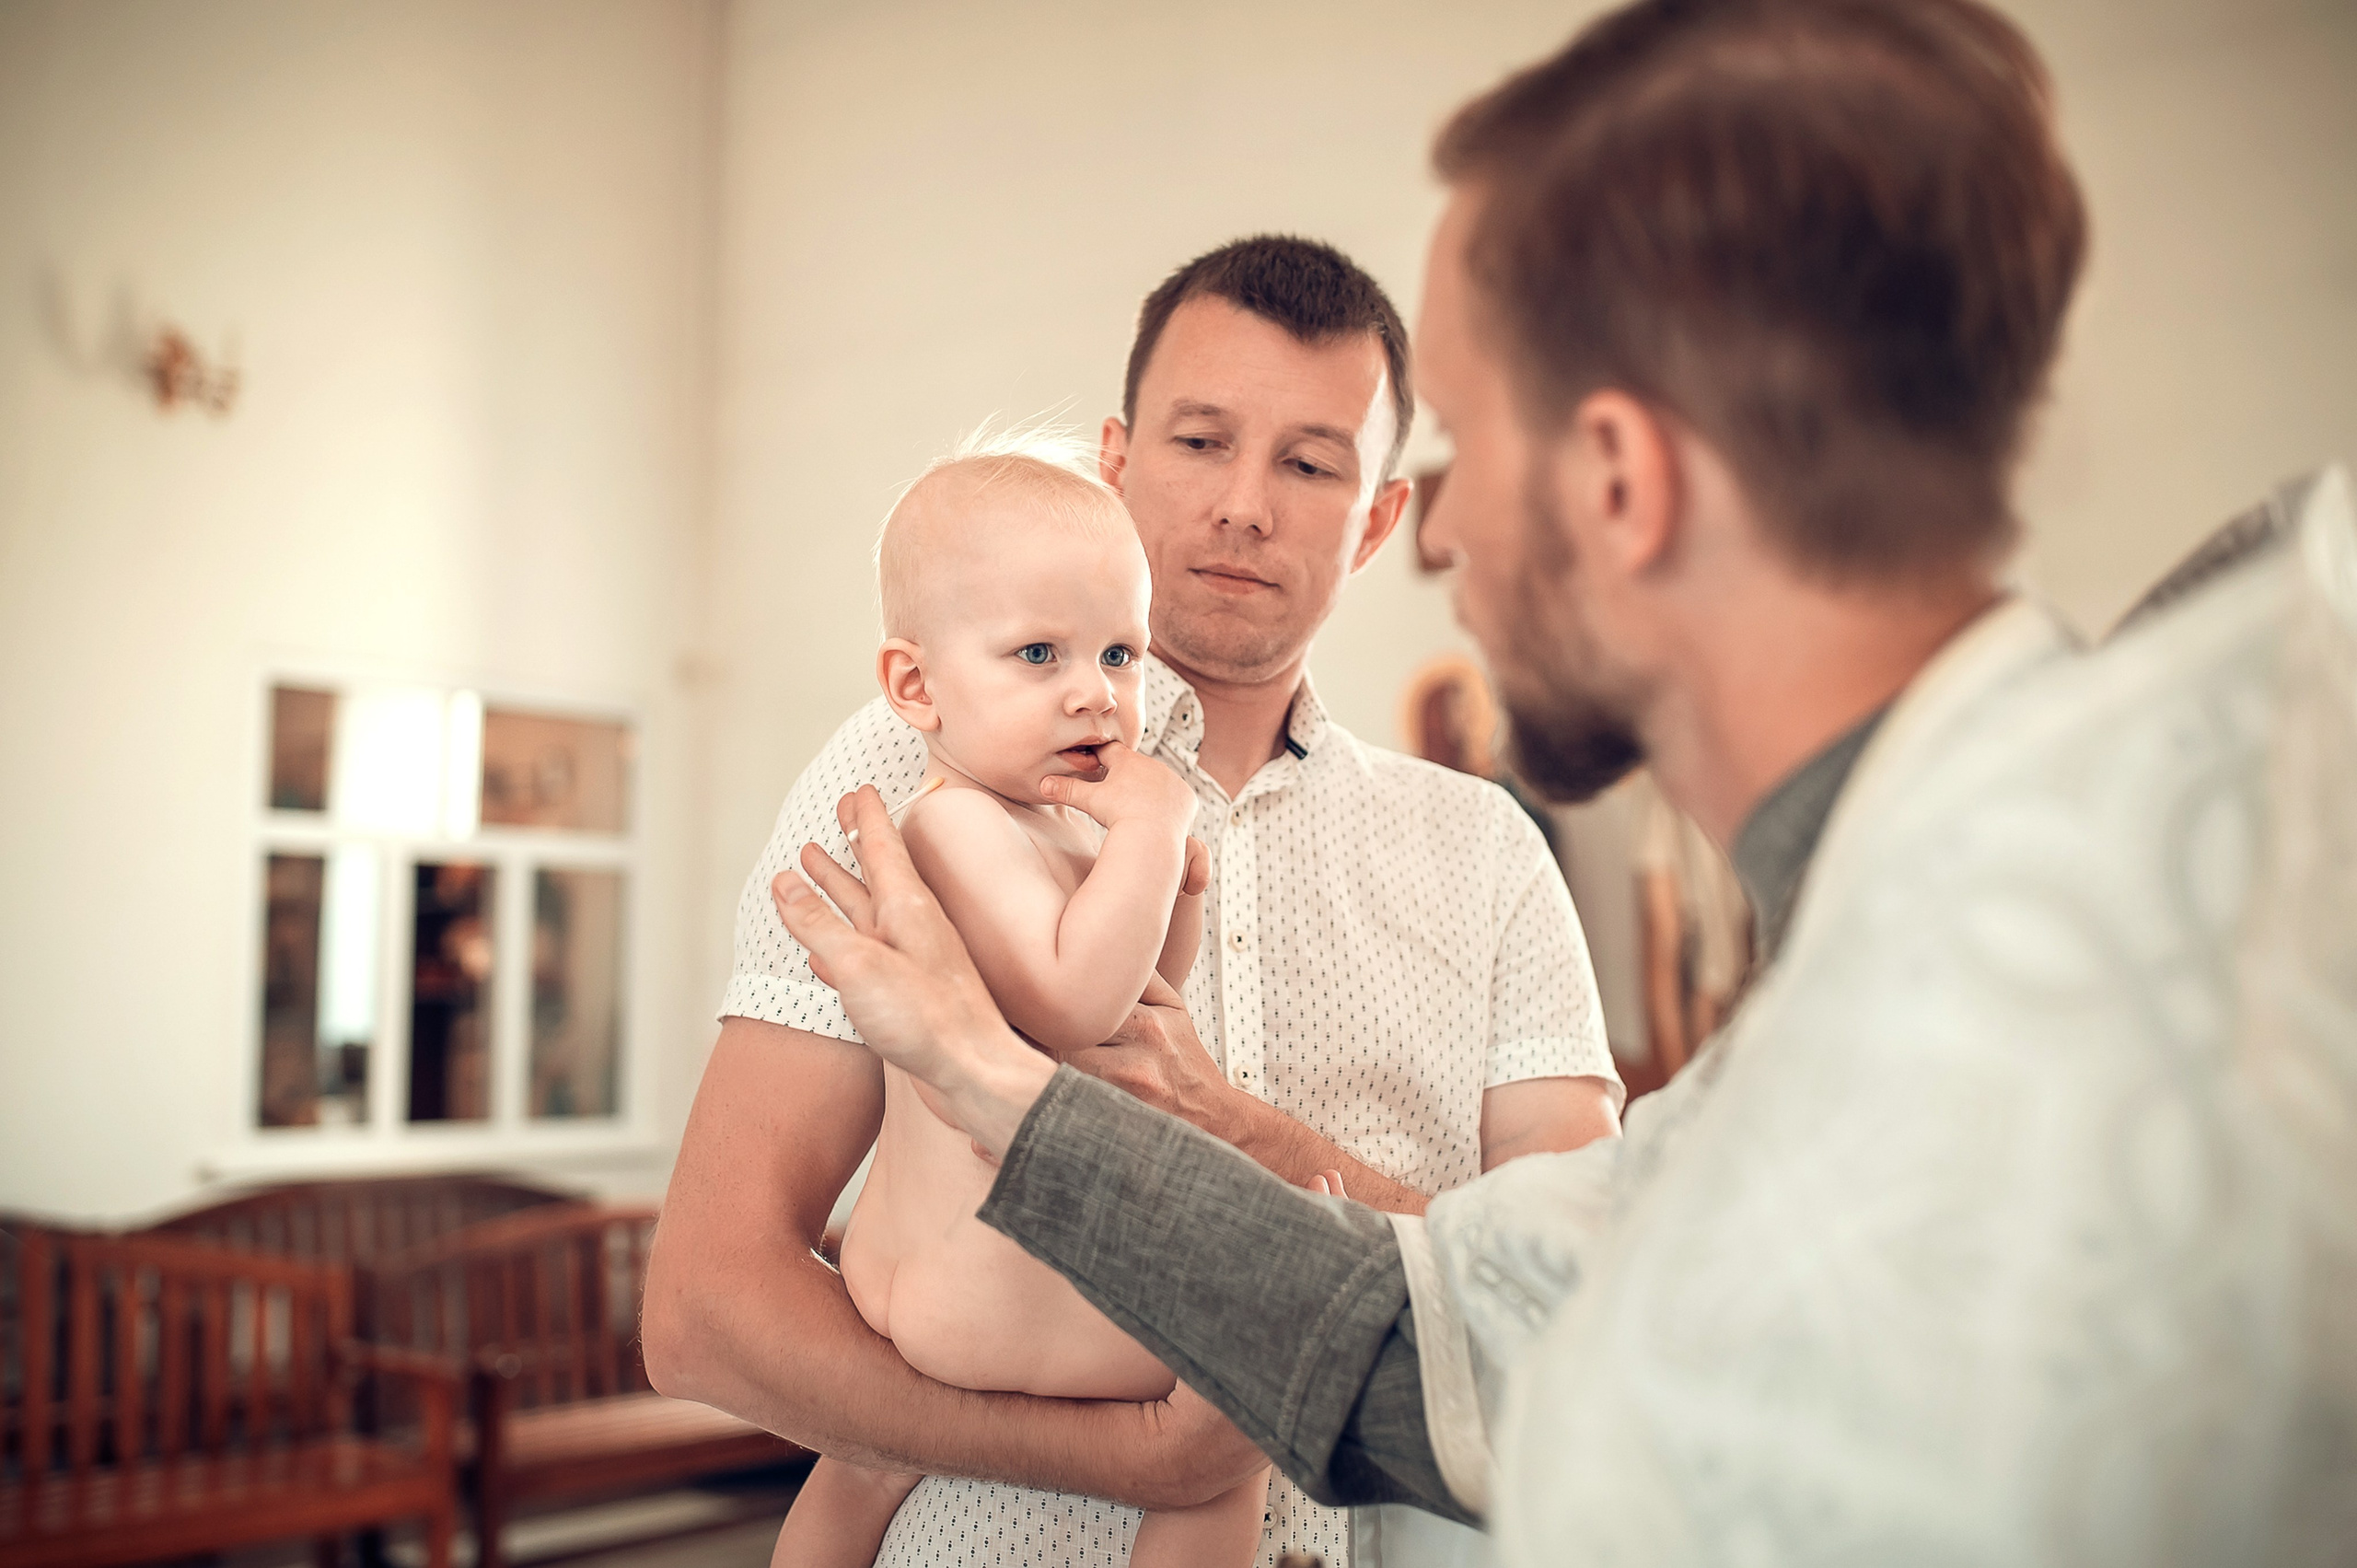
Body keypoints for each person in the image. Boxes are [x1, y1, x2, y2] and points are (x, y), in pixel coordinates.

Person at [766, 0, 2357, 1562]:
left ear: (1618, 479)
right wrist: (1000, 1082)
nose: (1436, 533)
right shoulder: (1878, 982)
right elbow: (1471, 1332)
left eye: (1444, 446)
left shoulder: (2180, 841)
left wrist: (999, 1078)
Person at [643, 237, 1625, 1568]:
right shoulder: (900, 766)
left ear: (1381, 515)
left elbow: (1577, 1317)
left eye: (1310, 461)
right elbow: (705, 1307)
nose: (1242, 505)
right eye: (1200, 440)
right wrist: (1130, 1454)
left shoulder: (1489, 852)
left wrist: (1237, 1130)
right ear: (1116, 457)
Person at [770, 438, 1267, 1568]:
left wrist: (1165, 880)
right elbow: (1071, 1006)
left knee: (857, 1465)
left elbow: (1149, 986)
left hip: (931, 1271)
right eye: (1038, 652)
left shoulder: (1044, 824)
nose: (1093, 689)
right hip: (989, 1280)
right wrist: (1149, 831)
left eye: (1118, 652)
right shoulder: (952, 826)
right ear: (915, 687)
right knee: (1238, 1413)